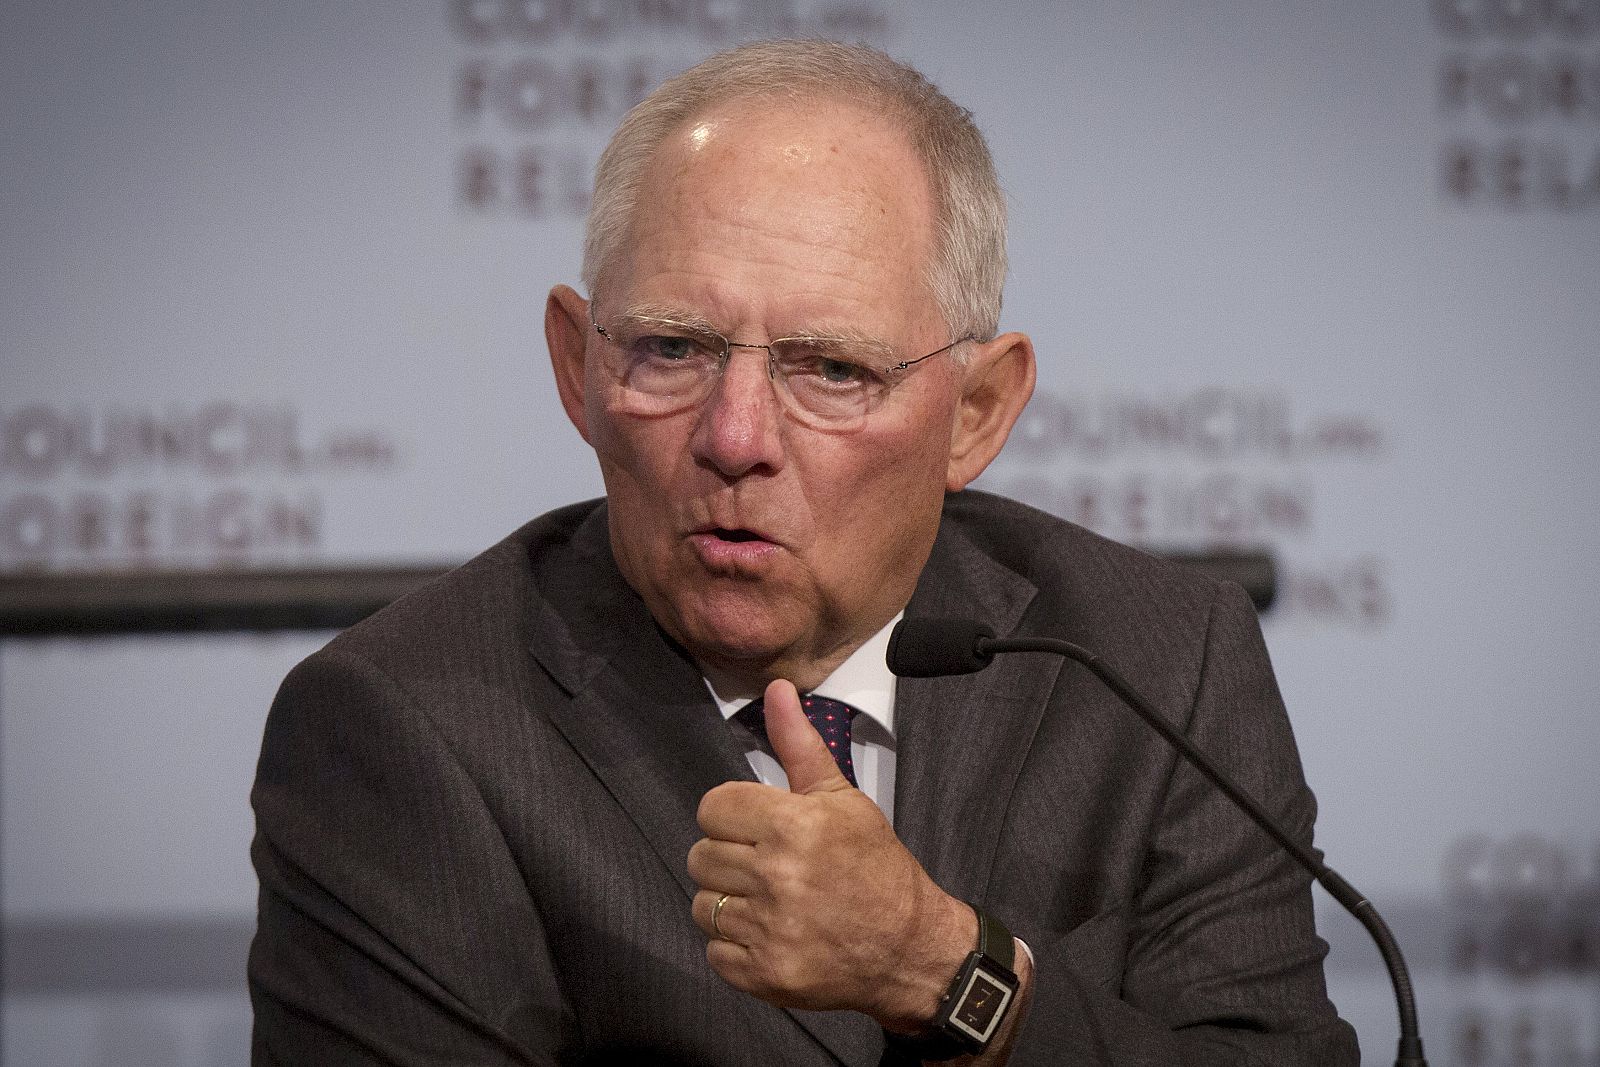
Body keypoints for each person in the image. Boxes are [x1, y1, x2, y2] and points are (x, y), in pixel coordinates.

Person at [249, 39, 1359, 1066]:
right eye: (671, 348)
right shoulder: (400, 726)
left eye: (830, 368)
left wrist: (947, 970)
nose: (734, 438)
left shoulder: (1154, 660)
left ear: (976, 409)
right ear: (575, 365)